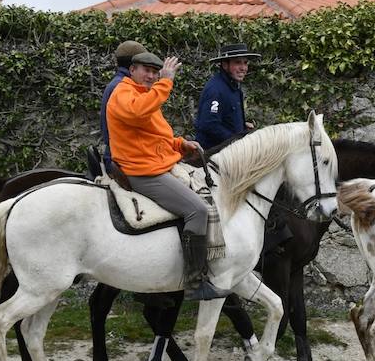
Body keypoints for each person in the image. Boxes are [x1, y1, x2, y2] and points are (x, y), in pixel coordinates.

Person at [107, 51, 229, 302]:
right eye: (146, 70)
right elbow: (139, 113)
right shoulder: (123, 94)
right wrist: (166, 81)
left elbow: (156, 137)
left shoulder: (143, 94)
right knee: (198, 210)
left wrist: (181, 144)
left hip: (157, 164)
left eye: (155, 71)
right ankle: (195, 282)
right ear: (132, 71)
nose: (151, 76)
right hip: (143, 172)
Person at [194, 42, 261, 149]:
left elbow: (226, 118)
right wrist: (237, 141)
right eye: (238, 63)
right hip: (213, 158)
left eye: (245, 63)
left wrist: (242, 126)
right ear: (225, 65)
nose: (243, 68)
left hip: (230, 153)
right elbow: (209, 124)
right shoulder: (215, 89)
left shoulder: (234, 87)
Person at [100, 40, 147, 173]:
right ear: (134, 66)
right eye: (145, 66)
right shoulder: (123, 88)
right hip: (124, 159)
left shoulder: (118, 84)